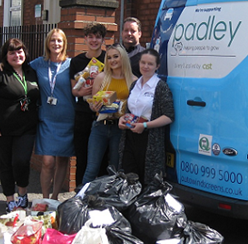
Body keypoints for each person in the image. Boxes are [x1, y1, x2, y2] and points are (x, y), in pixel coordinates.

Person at [0, 38, 40, 212]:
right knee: (5, 164)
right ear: (5, 56)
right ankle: (10, 200)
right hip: (2, 130)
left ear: (25, 52)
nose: (17, 55)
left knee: (21, 161)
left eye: (19, 51)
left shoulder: (31, 72)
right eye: (12, 52)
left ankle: (22, 195)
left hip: (27, 128)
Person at [82, 44, 137, 184]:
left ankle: (110, 201)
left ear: (123, 58)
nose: (112, 60)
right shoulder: (101, 77)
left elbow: (136, 107)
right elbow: (92, 104)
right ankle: (80, 200)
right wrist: (95, 106)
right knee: (91, 168)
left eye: (116, 56)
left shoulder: (133, 80)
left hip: (120, 129)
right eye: (109, 57)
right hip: (100, 126)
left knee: (115, 169)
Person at [119, 49, 174, 187]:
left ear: (157, 66)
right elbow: (129, 111)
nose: (145, 66)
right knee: (128, 178)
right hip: (130, 137)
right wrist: (122, 119)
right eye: (143, 62)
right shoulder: (135, 84)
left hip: (149, 140)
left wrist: (144, 126)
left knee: (146, 181)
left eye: (150, 64)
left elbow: (168, 116)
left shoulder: (160, 87)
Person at [30, 28, 75, 200]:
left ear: (64, 44)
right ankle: (45, 197)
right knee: (48, 161)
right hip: (47, 119)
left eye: (59, 41)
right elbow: (17, 66)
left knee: (63, 160)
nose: (56, 44)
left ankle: (55, 198)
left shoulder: (71, 65)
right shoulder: (38, 63)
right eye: (53, 40)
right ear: (47, 43)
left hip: (67, 118)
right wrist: (2, 65)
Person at [70, 22, 108, 187]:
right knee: (83, 159)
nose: (94, 40)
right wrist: (81, 92)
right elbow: (73, 90)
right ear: (85, 39)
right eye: (90, 37)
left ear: (102, 39)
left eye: (97, 37)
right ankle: (80, 197)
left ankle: (100, 199)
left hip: (104, 115)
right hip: (83, 115)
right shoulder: (76, 61)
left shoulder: (109, 58)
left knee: (103, 160)